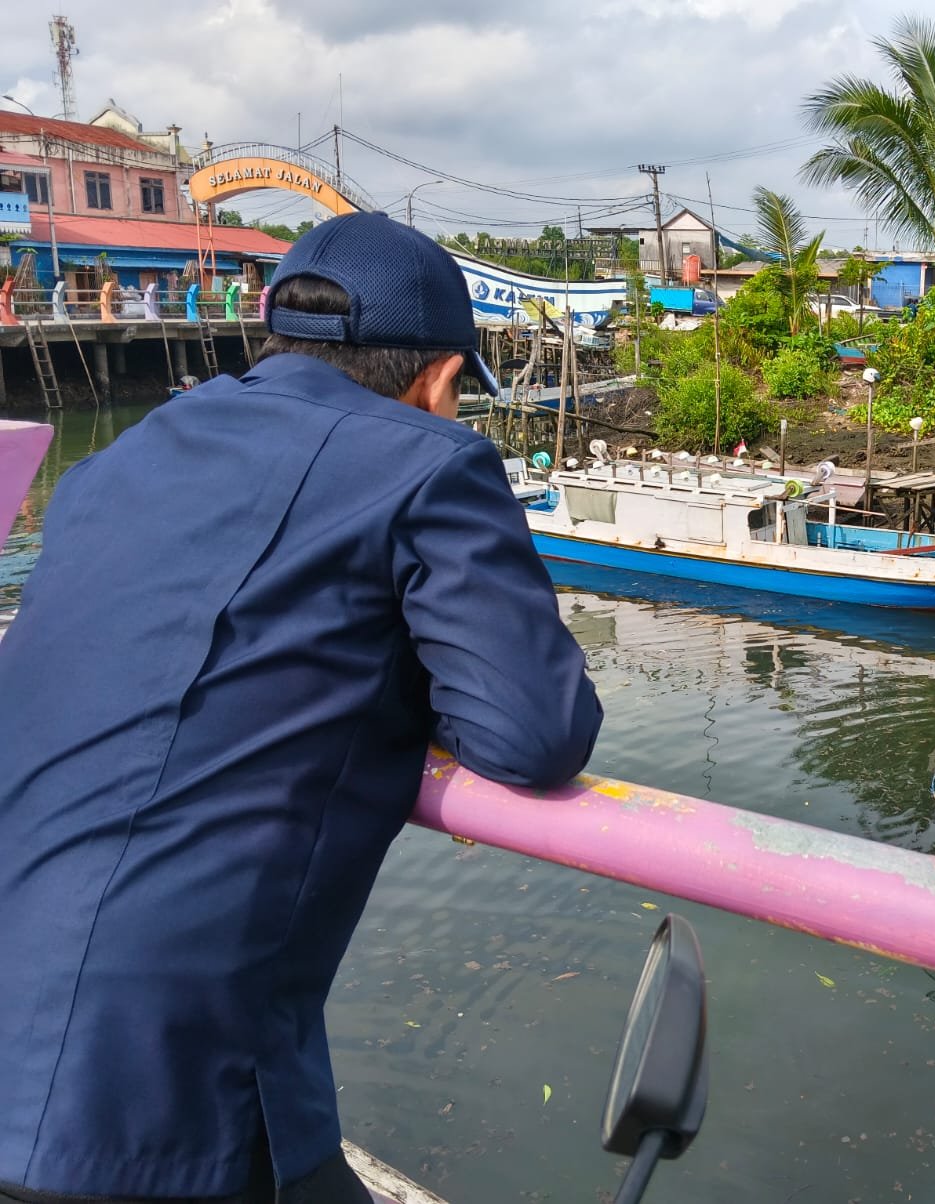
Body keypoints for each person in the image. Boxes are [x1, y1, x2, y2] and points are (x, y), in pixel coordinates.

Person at [0, 211, 603, 1202]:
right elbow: (531, 733)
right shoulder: (431, 462)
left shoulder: (126, 457)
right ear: (441, 379)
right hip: (148, 1096)